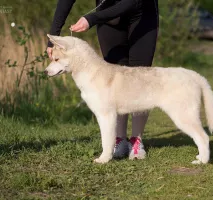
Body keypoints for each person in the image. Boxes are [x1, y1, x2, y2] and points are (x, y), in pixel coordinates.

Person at [47, 0, 159, 160]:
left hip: (142, 15)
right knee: (113, 77)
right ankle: (119, 140)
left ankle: (136, 140)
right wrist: (53, 37)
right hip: (109, 18)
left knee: (140, 77)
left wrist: (92, 18)